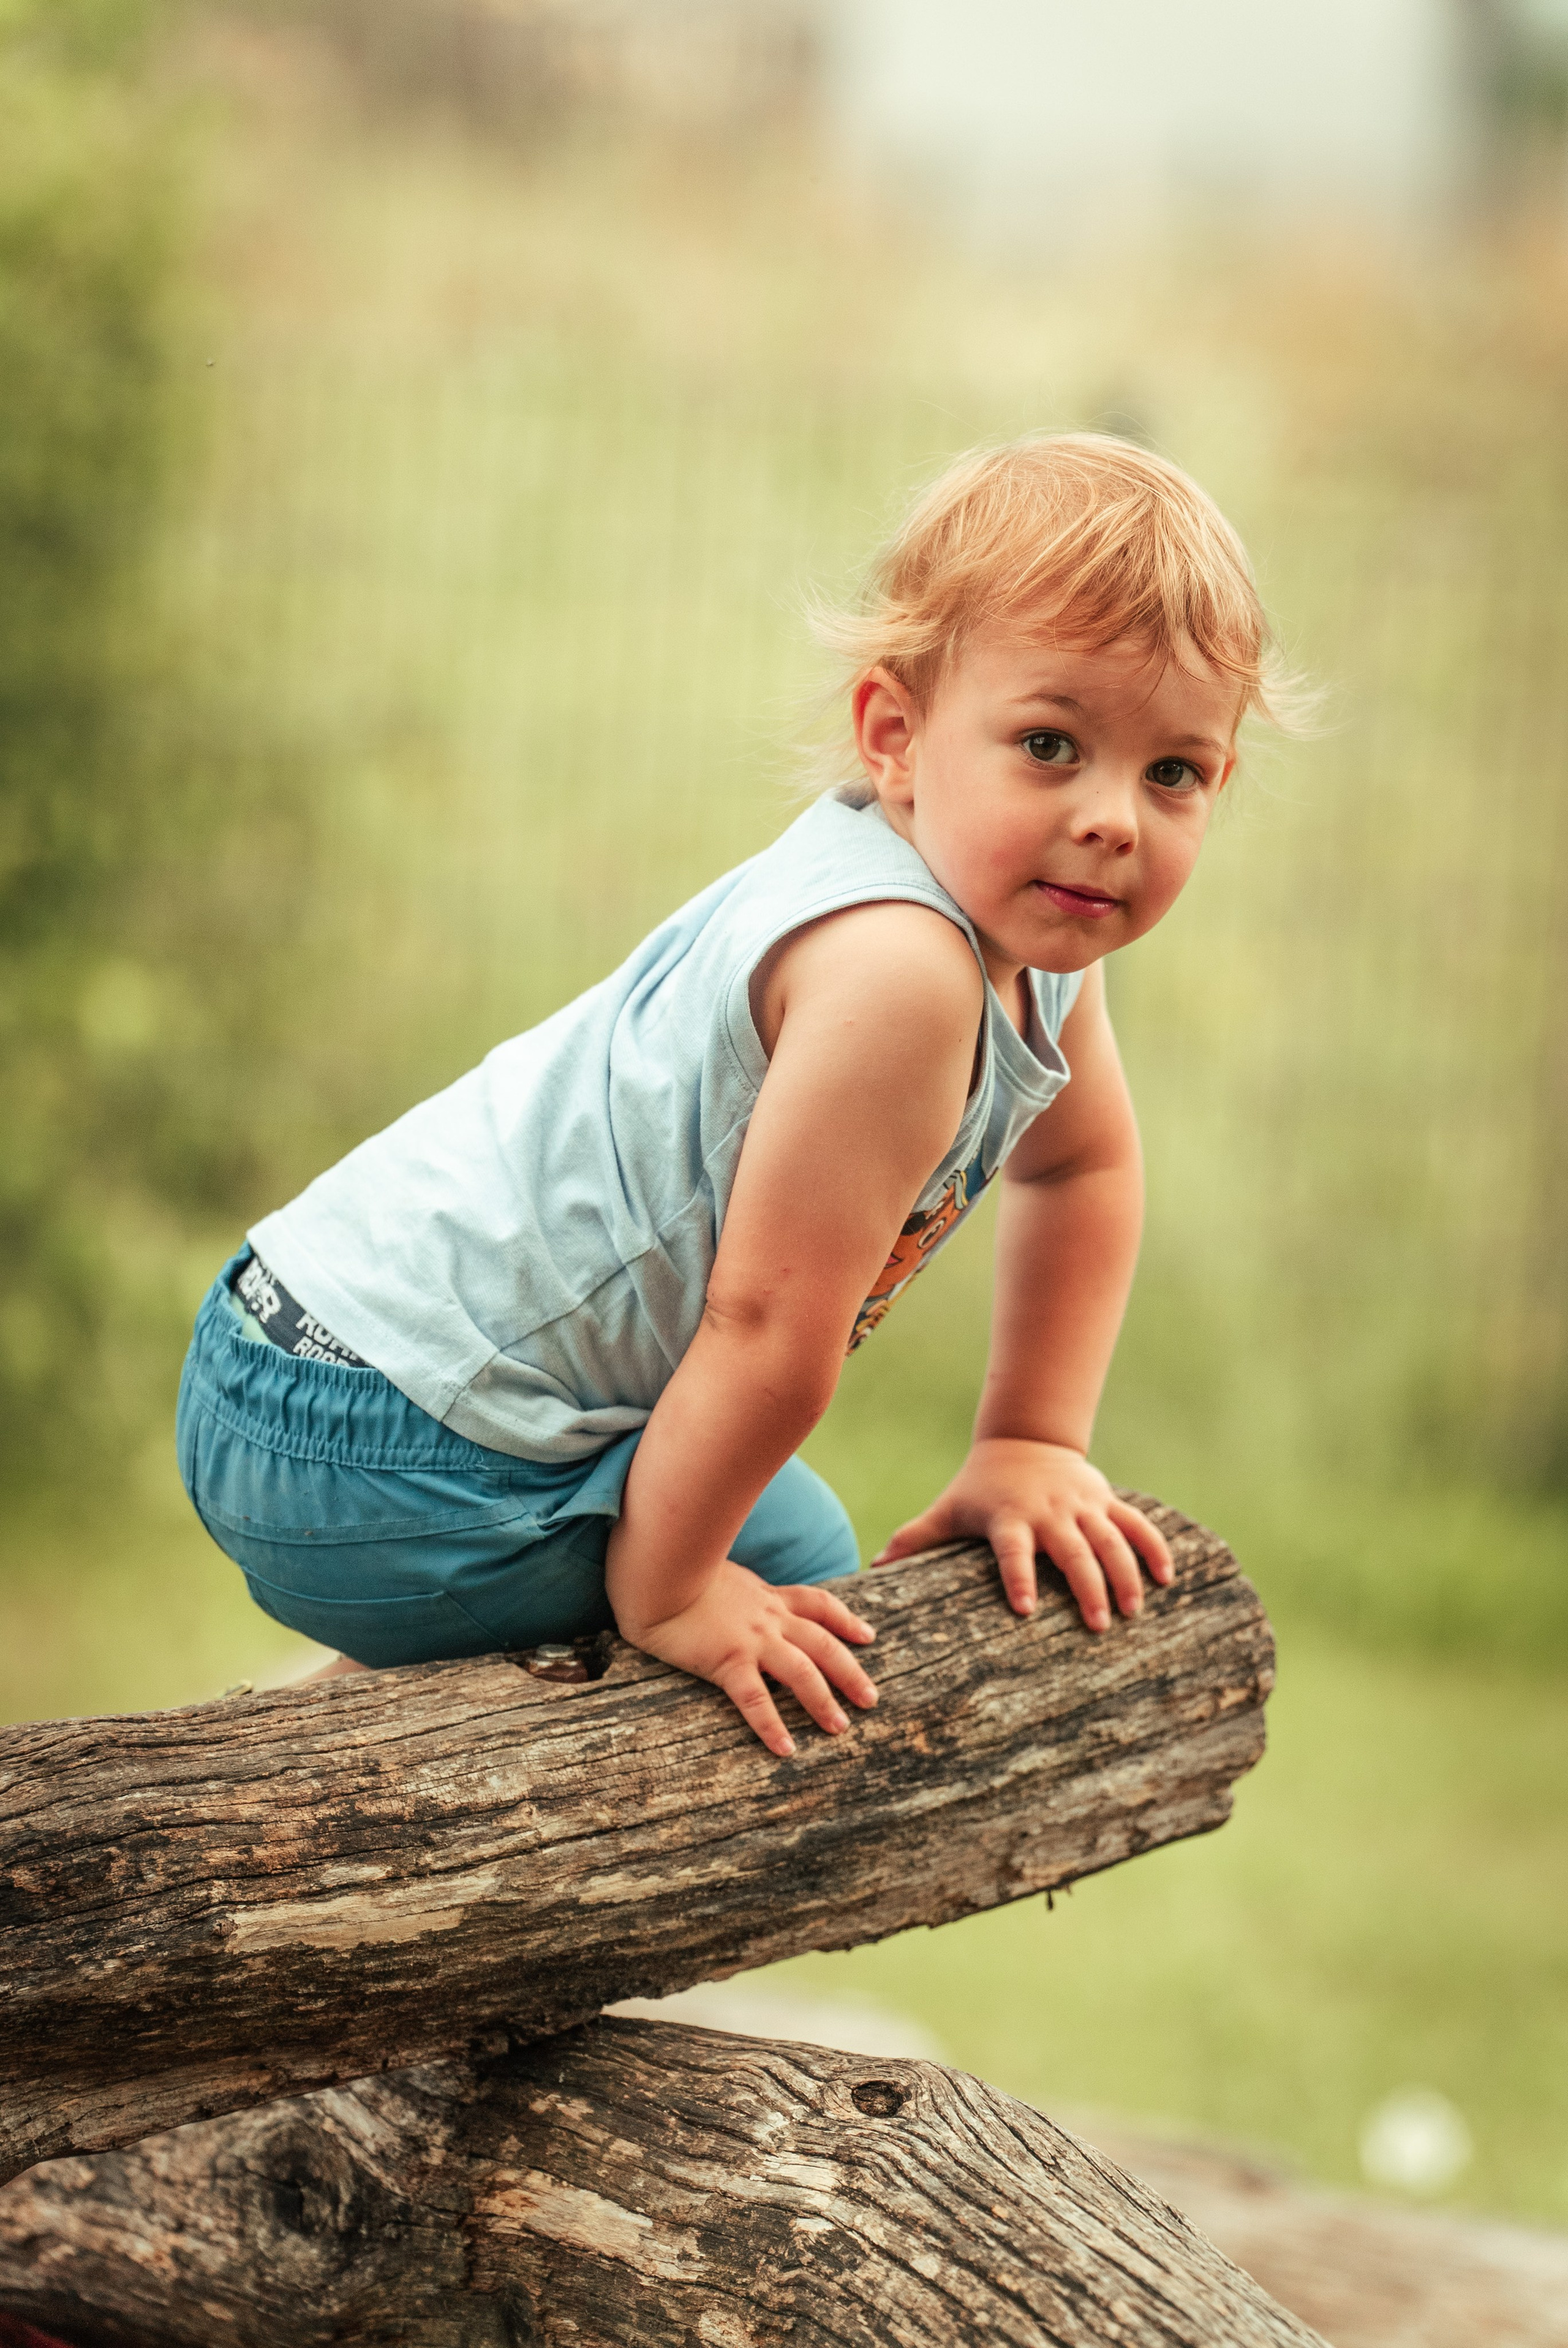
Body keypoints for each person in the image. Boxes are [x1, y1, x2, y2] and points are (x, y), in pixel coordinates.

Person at [178, 432, 1292, 1757]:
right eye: (1049, 744)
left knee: (796, 1548)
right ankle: (368, 1741)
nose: (1112, 817)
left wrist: (1030, 1441)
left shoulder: (1034, 945)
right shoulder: (898, 970)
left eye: (1171, 772)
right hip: (369, 1439)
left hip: (317, 1354)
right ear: (895, 736)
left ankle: (360, 1708)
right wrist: (672, 1597)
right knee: (770, 1611)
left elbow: (1081, 1170)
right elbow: (765, 1328)